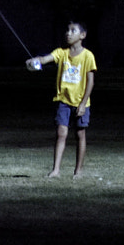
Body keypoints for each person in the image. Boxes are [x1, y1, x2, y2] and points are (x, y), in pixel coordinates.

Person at [26, 21, 96, 178]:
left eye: (73, 31)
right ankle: (56, 170)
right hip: (63, 101)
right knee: (61, 133)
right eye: (67, 30)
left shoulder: (88, 56)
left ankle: (78, 171)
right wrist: (35, 61)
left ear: (82, 35)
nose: (68, 33)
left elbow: (90, 81)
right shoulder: (61, 53)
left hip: (80, 102)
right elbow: (45, 59)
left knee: (80, 134)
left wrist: (83, 103)